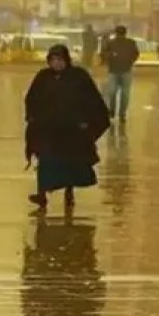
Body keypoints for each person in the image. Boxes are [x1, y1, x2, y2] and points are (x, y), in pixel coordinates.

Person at [24, 44, 110, 213]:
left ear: (66, 60)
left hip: (71, 131)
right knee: (45, 162)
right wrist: (33, 117)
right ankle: (42, 195)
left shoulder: (78, 77)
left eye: (59, 60)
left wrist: (87, 122)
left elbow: (92, 100)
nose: (56, 64)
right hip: (48, 129)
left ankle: (68, 191)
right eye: (52, 60)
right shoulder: (43, 77)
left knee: (69, 164)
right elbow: (32, 98)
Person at [101, 25, 140, 122]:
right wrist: (110, 57)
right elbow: (103, 53)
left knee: (124, 94)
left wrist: (130, 61)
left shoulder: (130, 43)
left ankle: (122, 113)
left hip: (125, 71)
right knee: (113, 92)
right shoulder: (111, 43)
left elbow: (136, 54)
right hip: (114, 71)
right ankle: (113, 110)